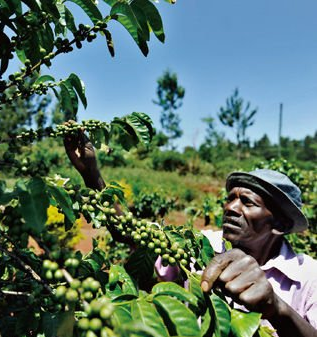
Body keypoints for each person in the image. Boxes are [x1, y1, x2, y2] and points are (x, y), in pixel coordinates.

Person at [63, 132, 317, 337]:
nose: (230, 208)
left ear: (281, 225)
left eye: (247, 202)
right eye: (229, 199)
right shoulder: (200, 246)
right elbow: (132, 232)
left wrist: (277, 309)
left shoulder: (309, 277)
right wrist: (92, 174)